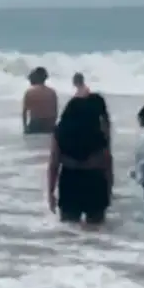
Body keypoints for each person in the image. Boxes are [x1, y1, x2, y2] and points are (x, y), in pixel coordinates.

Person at [47, 94, 112, 226]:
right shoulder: (99, 134)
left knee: (69, 230)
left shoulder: (60, 133)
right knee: (96, 231)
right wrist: (109, 190)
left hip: (70, 181)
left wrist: (50, 192)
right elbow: (107, 164)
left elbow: (53, 164)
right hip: (95, 182)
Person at [23, 67, 58, 134]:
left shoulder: (29, 92)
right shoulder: (52, 92)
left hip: (36, 124)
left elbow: (24, 112)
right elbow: (55, 112)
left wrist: (25, 127)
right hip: (49, 124)